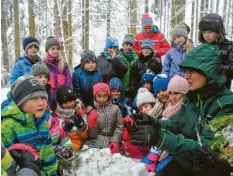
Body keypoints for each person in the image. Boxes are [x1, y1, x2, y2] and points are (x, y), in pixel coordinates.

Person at [131, 44, 233, 176]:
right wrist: (151, 122)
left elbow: (207, 151)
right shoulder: (192, 96)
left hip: (209, 169)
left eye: (192, 72)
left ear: (209, 71)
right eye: (185, 71)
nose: (186, 76)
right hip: (187, 160)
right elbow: (175, 124)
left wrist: (158, 137)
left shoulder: (226, 105)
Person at [1, 76, 57, 176]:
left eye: (43, 97)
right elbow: (8, 164)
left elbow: (48, 152)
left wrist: (52, 173)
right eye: (34, 98)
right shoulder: (7, 126)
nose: (41, 103)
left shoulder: (42, 121)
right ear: (20, 101)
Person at [85, 83, 123, 154]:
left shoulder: (115, 109)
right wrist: (92, 124)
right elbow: (92, 135)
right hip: (95, 143)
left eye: (105, 96)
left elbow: (119, 126)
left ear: (108, 96)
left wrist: (115, 141)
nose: (102, 99)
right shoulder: (90, 110)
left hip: (111, 142)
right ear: (94, 96)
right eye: (99, 96)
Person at [50, 85, 88, 153]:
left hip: (77, 142)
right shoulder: (56, 114)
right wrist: (64, 129)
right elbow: (54, 133)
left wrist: (82, 127)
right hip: (62, 142)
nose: (69, 104)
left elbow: (86, 136)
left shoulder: (79, 109)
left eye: (71, 101)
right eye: (65, 102)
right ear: (60, 103)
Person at [199, 13, 233, 89]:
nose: (206, 36)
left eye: (210, 32)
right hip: (203, 89)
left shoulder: (229, 47)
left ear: (218, 31)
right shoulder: (201, 48)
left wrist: (215, 67)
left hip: (221, 90)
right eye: (204, 32)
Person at [43, 36, 72, 103]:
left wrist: (68, 95)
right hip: (47, 100)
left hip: (62, 99)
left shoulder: (64, 65)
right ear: (47, 50)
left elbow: (69, 82)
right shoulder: (43, 65)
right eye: (53, 49)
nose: (55, 51)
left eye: (57, 48)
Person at [119, 34, 139, 98]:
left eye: (130, 45)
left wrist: (131, 59)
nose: (128, 47)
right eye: (126, 45)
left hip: (132, 86)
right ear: (123, 46)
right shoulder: (119, 56)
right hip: (122, 86)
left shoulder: (136, 57)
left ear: (133, 47)